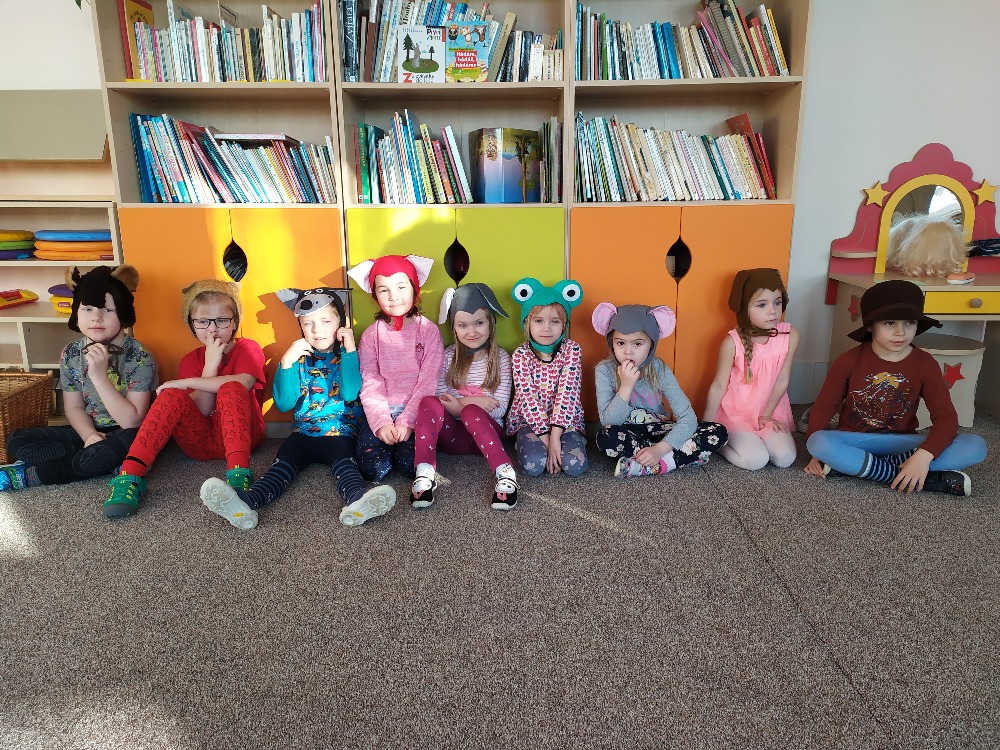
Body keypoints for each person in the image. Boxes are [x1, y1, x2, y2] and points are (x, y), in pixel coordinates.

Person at [200, 287, 396, 528]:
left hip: (340, 434)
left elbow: (349, 393)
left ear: (341, 324)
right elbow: (284, 404)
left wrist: (349, 351)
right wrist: (286, 363)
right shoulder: (298, 358)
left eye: (326, 321)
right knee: (280, 469)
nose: (317, 330)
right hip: (302, 434)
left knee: (346, 467)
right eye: (308, 324)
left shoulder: (351, 355)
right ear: (301, 327)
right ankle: (246, 503)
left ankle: (357, 501)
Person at [804, 279, 987, 495]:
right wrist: (816, 455)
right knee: (818, 442)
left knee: (975, 446)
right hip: (857, 441)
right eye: (890, 323)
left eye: (909, 322)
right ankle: (915, 477)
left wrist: (923, 456)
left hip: (902, 442)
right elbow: (823, 409)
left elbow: (946, 417)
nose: (901, 332)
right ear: (870, 326)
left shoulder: (925, 363)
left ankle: (861, 467)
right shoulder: (848, 360)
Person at [103, 279, 266, 518]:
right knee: (170, 395)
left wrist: (188, 382)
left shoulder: (248, 348)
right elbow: (202, 409)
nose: (212, 329)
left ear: (234, 322)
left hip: (243, 437)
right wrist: (210, 366)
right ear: (192, 324)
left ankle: (239, 479)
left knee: (231, 387)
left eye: (222, 320)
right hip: (200, 443)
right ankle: (130, 476)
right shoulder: (191, 360)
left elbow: (244, 383)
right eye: (203, 322)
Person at [0, 265, 157, 491]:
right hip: (88, 428)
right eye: (87, 309)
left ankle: (29, 476)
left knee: (128, 445)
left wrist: (99, 377)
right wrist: (89, 435)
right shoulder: (71, 354)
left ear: (122, 312)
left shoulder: (139, 356)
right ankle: (96, 459)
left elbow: (132, 421)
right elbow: (74, 408)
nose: (96, 318)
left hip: (125, 432)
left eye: (108, 310)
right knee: (15, 440)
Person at [410, 282, 518, 510]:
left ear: (491, 323)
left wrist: (460, 406)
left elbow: (499, 408)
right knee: (427, 402)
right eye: (463, 325)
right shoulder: (448, 357)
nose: (472, 332)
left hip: (488, 437)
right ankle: (424, 472)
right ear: (454, 327)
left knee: (471, 412)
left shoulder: (501, 358)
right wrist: (471, 403)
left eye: (479, 323)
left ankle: (505, 473)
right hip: (452, 439)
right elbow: (439, 400)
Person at [593, 302, 727, 477]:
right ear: (612, 343)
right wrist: (626, 386)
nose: (628, 352)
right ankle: (677, 458)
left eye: (637, 344)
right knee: (605, 437)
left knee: (717, 432)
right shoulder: (604, 370)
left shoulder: (659, 369)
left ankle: (655, 463)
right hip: (629, 434)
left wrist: (660, 449)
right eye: (620, 343)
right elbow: (609, 422)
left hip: (660, 431)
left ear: (651, 345)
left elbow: (687, 417)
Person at [347, 254, 444, 481]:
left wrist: (407, 421)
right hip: (381, 410)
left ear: (414, 288)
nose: (394, 297)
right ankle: (386, 439)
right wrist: (381, 422)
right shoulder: (371, 335)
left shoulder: (428, 331)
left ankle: (402, 443)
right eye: (384, 290)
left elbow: (428, 381)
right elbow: (370, 381)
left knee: (411, 467)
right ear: (375, 295)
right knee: (373, 470)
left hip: (416, 412)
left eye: (401, 287)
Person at [703, 268, 799, 470]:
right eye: (762, 304)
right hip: (737, 415)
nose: (773, 311)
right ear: (744, 307)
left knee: (785, 459)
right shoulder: (732, 343)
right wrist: (707, 427)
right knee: (756, 460)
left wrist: (767, 415)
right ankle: (720, 443)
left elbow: (782, 379)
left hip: (769, 412)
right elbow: (719, 386)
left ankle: (757, 437)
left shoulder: (791, 335)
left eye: (777, 302)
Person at [507, 277, 588, 477]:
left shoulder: (571, 349)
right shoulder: (520, 355)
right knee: (534, 465)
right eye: (539, 321)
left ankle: (572, 440)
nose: (546, 328)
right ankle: (525, 441)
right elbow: (528, 399)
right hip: (530, 422)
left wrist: (556, 438)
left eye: (555, 321)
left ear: (564, 324)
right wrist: (546, 439)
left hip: (566, 422)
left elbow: (567, 393)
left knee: (575, 465)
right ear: (527, 323)